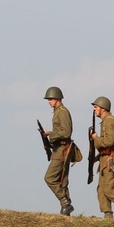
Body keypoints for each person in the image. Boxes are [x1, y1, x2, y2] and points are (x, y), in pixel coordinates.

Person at [42, 86, 75, 216]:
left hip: (62, 149)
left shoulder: (62, 112)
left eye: (50, 99)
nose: (49, 101)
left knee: (49, 178)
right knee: (62, 181)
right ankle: (66, 209)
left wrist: (51, 135)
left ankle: (65, 202)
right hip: (59, 149)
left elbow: (66, 132)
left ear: (57, 98)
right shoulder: (57, 111)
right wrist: (49, 133)